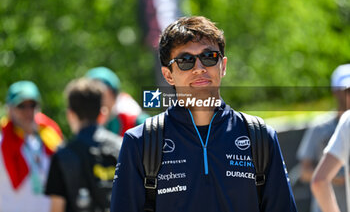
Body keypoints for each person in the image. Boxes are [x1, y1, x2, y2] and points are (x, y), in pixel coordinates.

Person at [110, 16, 297, 212]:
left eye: (209, 57)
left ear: (223, 66)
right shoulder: (140, 141)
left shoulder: (260, 136)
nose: (199, 68)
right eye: (185, 61)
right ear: (168, 75)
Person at [45, 78, 123, 212]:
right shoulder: (124, 147)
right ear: (102, 113)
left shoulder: (62, 156)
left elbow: (57, 208)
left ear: (70, 114)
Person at [0, 80, 63, 212]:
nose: (28, 111)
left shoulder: (50, 140)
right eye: (21, 106)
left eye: (32, 105)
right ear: (9, 110)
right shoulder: (2, 142)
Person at [297, 64, 350, 212]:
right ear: (335, 92)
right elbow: (304, 172)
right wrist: (332, 176)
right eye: (347, 90)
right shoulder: (320, 128)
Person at [85, 66, 149, 136]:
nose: (93, 98)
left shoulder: (135, 120)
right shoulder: (88, 120)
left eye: (97, 92)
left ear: (111, 93)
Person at [311, 109, 350, 212]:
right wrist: (336, 177)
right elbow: (304, 171)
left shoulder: (347, 120)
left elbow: (319, 181)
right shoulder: (320, 127)